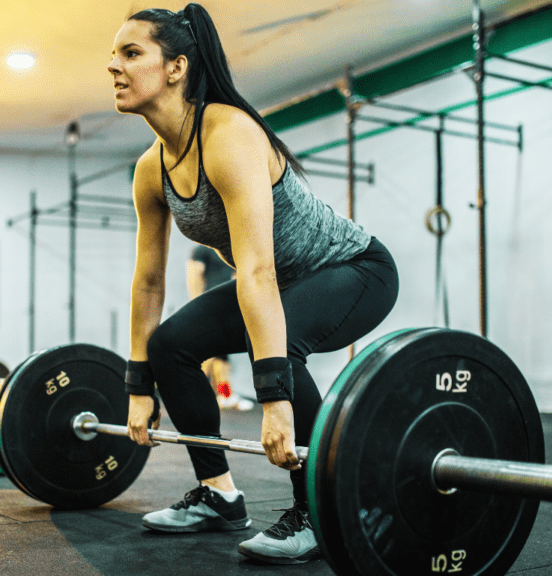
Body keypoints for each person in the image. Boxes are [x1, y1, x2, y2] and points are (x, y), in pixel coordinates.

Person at [110, 4, 399, 565]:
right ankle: (219, 494)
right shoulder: (152, 168)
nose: (114, 68)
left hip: (354, 270)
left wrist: (274, 400)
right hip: (280, 283)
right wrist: (139, 386)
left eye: (131, 53)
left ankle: (319, 509)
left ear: (176, 68)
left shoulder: (229, 133)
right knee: (171, 345)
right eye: (113, 57)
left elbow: (258, 271)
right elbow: (148, 283)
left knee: (282, 345)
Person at [186, 244, 251, 410]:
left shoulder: (231, 249)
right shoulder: (202, 250)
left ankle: (224, 394)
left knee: (221, 357)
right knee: (212, 356)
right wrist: (198, 306)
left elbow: (237, 277)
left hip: (226, 306)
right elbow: (193, 275)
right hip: (209, 306)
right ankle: (192, 391)